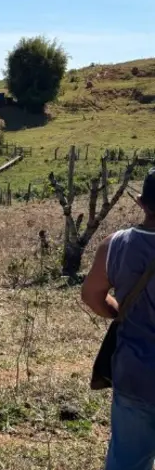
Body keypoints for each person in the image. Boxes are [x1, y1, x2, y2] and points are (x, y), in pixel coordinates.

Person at [82, 168, 155, 470]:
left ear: (141, 202)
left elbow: (92, 296)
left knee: (127, 460)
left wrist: (120, 312)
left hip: (134, 372)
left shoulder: (115, 244)